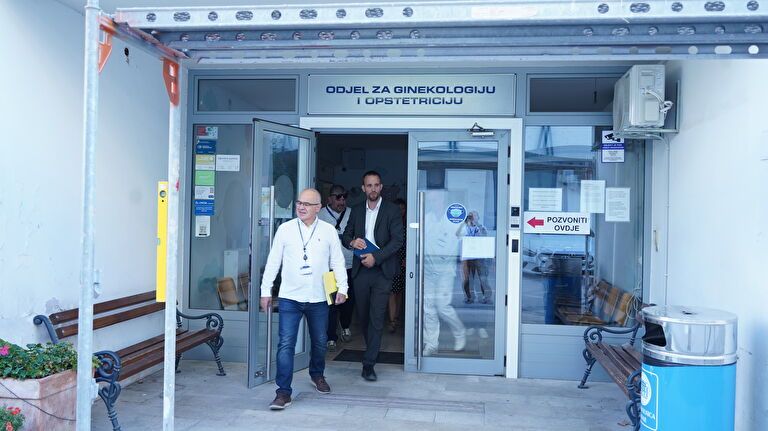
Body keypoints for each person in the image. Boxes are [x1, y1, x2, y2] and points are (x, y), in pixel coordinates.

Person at [260, 188, 349, 410]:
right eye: (299, 202)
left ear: (318, 208)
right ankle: (283, 392)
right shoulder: (285, 229)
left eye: (307, 204)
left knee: (319, 341)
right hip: (290, 297)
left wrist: (343, 288)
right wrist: (265, 290)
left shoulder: (328, 231)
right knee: (285, 344)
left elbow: (337, 261)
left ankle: (317, 374)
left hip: (318, 298)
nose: (301, 207)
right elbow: (273, 261)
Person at [342, 171, 404, 382]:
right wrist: (352, 242)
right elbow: (346, 235)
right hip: (361, 271)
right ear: (363, 188)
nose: (373, 189)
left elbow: (397, 240)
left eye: (376, 185)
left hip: (382, 271)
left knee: (376, 317)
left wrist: (375, 258)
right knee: (363, 317)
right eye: (369, 185)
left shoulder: (392, 210)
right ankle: (372, 350)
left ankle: (369, 364)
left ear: (381, 187)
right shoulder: (357, 210)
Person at [423, 191, 466, 356]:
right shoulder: (427, 218)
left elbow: (465, 243)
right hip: (428, 269)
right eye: (431, 199)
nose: (434, 202)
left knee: (442, 307)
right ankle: (431, 344)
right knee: (428, 308)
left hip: (446, 270)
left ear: (443, 199)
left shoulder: (454, 220)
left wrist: (464, 267)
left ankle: (459, 332)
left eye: (436, 199)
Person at [318, 185, 355, 350]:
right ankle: (331, 336)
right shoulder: (320, 215)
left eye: (344, 196)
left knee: (348, 301)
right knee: (331, 303)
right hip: (329, 268)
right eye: (338, 197)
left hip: (349, 265)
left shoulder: (352, 213)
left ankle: (345, 326)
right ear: (329, 199)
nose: (342, 200)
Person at [456, 210, 491, 304]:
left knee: (482, 278)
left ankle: (486, 297)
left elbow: (484, 236)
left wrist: (476, 224)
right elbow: (457, 235)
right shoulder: (464, 227)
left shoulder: (481, 227)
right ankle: (469, 297)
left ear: (478, 217)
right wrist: (464, 223)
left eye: (474, 216)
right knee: (467, 279)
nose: (472, 217)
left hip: (478, 256)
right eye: (470, 216)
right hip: (467, 257)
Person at [388, 198, 407, 333]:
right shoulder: (388, 225)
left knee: (399, 291)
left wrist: (408, 258)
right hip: (391, 260)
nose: (400, 211)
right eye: (398, 209)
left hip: (405, 262)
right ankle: (392, 321)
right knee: (392, 291)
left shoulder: (408, 225)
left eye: (403, 209)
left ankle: (396, 317)